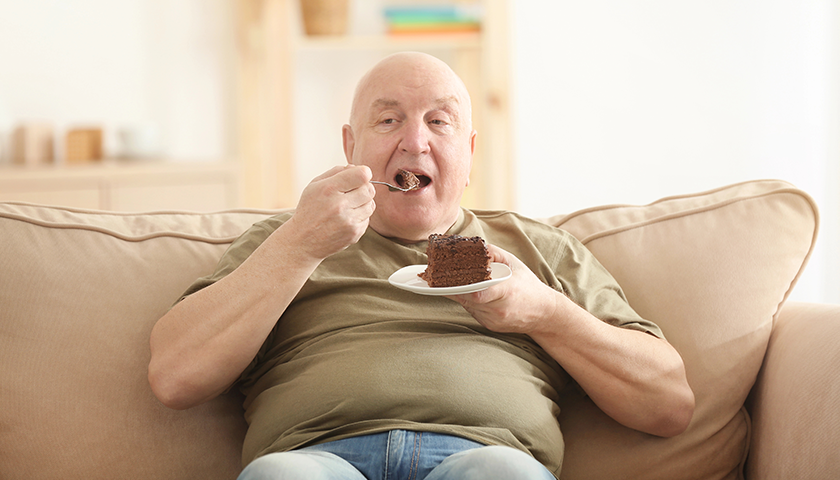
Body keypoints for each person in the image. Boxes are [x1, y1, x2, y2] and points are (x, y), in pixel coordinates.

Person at [148, 51, 694, 480]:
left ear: (471, 153)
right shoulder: (286, 240)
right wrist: (299, 246)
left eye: (440, 121)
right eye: (388, 120)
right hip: (313, 459)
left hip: (487, 459)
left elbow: (668, 404)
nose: (415, 141)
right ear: (350, 146)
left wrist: (545, 313)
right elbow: (174, 377)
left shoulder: (537, 248)